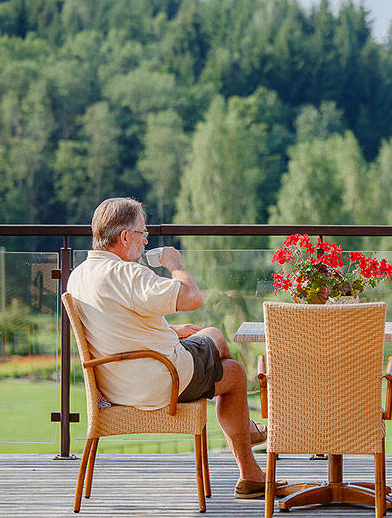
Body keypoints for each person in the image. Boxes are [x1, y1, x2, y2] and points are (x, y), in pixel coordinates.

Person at [67, 197, 272, 499]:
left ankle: (250, 454)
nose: (146, 239)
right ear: (125, 237)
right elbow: (192, 298)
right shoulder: (130, 275)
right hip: (160, 381)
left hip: (114, 386)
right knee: (231, 368)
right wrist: (175, 265)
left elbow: (118, 327)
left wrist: (172, 331)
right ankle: (249, 463)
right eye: (142, 232)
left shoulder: (79, 276)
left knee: (211, 346)